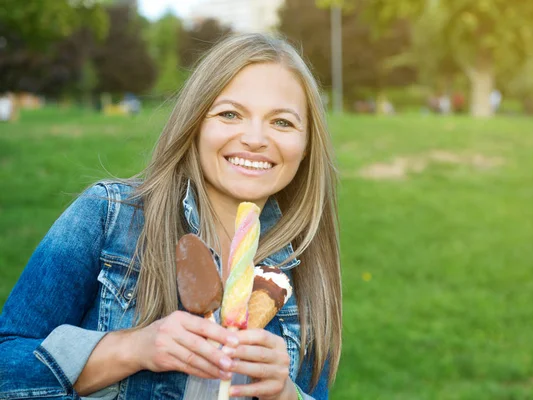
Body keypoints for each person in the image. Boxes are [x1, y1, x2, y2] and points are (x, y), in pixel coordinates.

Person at [0, 33, 342, 400]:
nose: (255, 138)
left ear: (307, 145)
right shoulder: (109, 216)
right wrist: (132, 349)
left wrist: (287, 394)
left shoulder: (304, 266)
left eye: (282, 122)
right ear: (195, 123)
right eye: (230, 114)